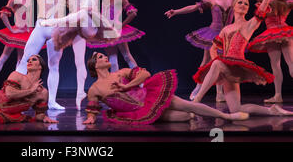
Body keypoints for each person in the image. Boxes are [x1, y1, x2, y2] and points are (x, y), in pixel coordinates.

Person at [193, 0, 293, 117]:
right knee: (236, 110)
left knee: (217, 63)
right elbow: (214, 47)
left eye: (246, 4)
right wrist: (216, 65)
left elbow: (265, 3)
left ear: (248, 10)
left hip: (236, 67)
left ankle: (195, 104)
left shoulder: (250, 24)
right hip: (225, 67)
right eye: (240, 2)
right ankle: (272, 111)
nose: (243, 5)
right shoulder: (226, 29)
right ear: (234, 6)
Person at [164, 0, 256, 101]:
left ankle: (220, 93)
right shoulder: (211, 0)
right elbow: (193, 8)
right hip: (213, 33)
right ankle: (198, 86)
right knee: (208, 60)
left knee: (223, 61)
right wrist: (176, 11)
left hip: (228, 33)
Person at [0, 0, 69, 110]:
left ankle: (52, 101)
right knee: (25, 60)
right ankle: (10, 92)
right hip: (41, 26)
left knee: (54, 66)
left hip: (56, 29)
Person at [83, 52, 249, 125]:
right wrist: (90, 117)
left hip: (150, 97)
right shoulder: (94, 89)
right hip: (137, 111)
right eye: (100, 57)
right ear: (94, 65)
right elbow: (93, 108)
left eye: (104, 55)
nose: (105, 57)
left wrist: (127, 85)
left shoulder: (121, 72)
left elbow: (145, 74)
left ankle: (227, 116)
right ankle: (191, 114)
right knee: (182, 117)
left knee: (188, 106)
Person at [86, 0, 145, 73]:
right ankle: (115, 83)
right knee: (112, 58)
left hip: (117, 30)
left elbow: (133, 13)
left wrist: (121, 25)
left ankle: (140, 81)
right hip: (107, 31)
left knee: (126, 55)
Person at [246, 0, 293, 103]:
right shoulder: (288, 3)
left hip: (271, 35)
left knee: (276, 66)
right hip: (285, 32)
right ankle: (277, 96)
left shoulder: (267, 1)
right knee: (291, 64)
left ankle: (278, 95)